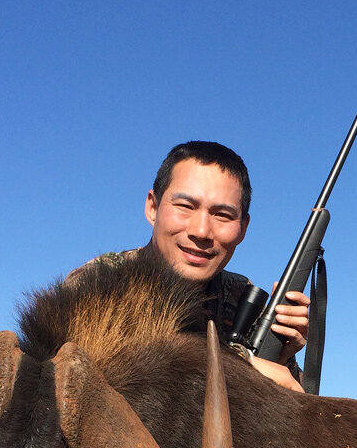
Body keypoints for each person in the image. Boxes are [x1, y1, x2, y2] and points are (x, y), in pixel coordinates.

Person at [71, 141, 309, 392]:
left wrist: (284, 353)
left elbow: (286, 394)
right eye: (185, 207)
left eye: (223, 215)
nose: (201, 231)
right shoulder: (98, 282)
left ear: (243, 229)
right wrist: (243, 365)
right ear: (152, 207)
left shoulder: (242, 297)